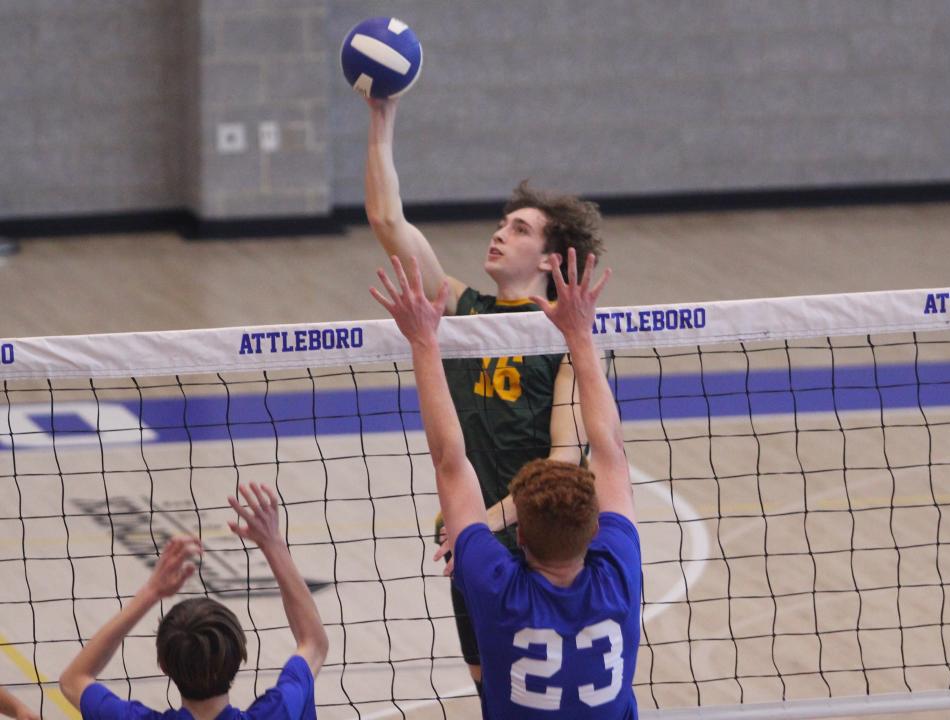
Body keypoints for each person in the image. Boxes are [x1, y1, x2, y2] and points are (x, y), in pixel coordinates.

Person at [365, 96, 605, 691]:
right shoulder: (462, 308)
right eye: (502, 224)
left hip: (542, 541)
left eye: (518, 229)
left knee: (545, 685)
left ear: (551, 258)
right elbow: (388, 222)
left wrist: (480, 523)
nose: (500, 234)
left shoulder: (563, 337)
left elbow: (566, 459)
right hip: (474, 546)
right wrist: (382, 115)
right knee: (487, 685)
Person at [371, 249, 641, 718]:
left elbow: (449, 461)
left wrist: (422, 341)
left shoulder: (498, 587)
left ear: (517, 538)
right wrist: (580, 333)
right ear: (595, 530)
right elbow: (610, 451)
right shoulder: (619, 572)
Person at [59, 483, 328, 720]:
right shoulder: (279, 712)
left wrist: (151, 592)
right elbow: (313, 642)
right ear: (239, 658)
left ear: (163, 664)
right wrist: (273, 544)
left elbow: (74, 680)